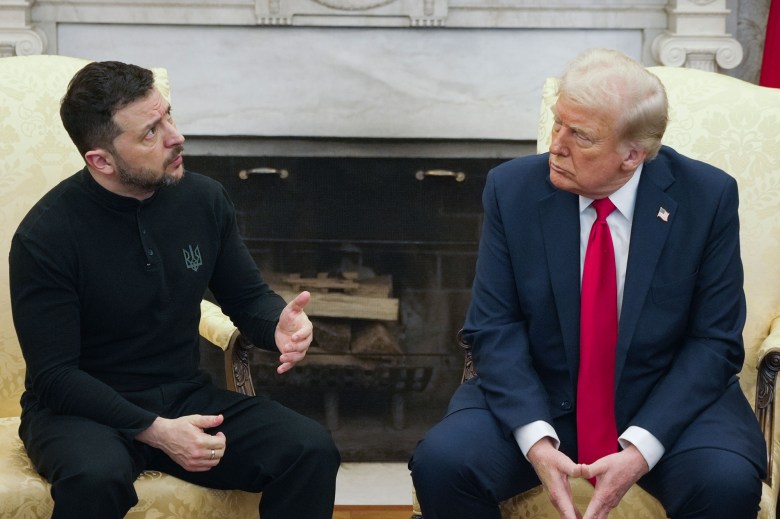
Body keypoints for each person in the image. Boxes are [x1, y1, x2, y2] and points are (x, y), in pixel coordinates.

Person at [409, 48, 767, 519]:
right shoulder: (511, 189)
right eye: (558, 123)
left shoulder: (706, 197)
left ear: (633, 155)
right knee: (443, 463)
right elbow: (494, 326)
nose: (556, 145)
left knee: (725, 483)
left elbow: (714, 342)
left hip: (664, 400)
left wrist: (641, 447)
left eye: (580, 135)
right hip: (541, 392)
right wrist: (535, 439)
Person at [9, 60, 340, 519]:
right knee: (95, 477)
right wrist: (156, 431)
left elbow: (247, 299)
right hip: (81, 412)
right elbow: (55, 377)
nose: (174, 136)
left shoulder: (203, 199)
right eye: (150, 132)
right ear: (101, 160)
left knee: (309, 448)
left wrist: (278, 326)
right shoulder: (46, 236)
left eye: (168, 116)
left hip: (183, 397)